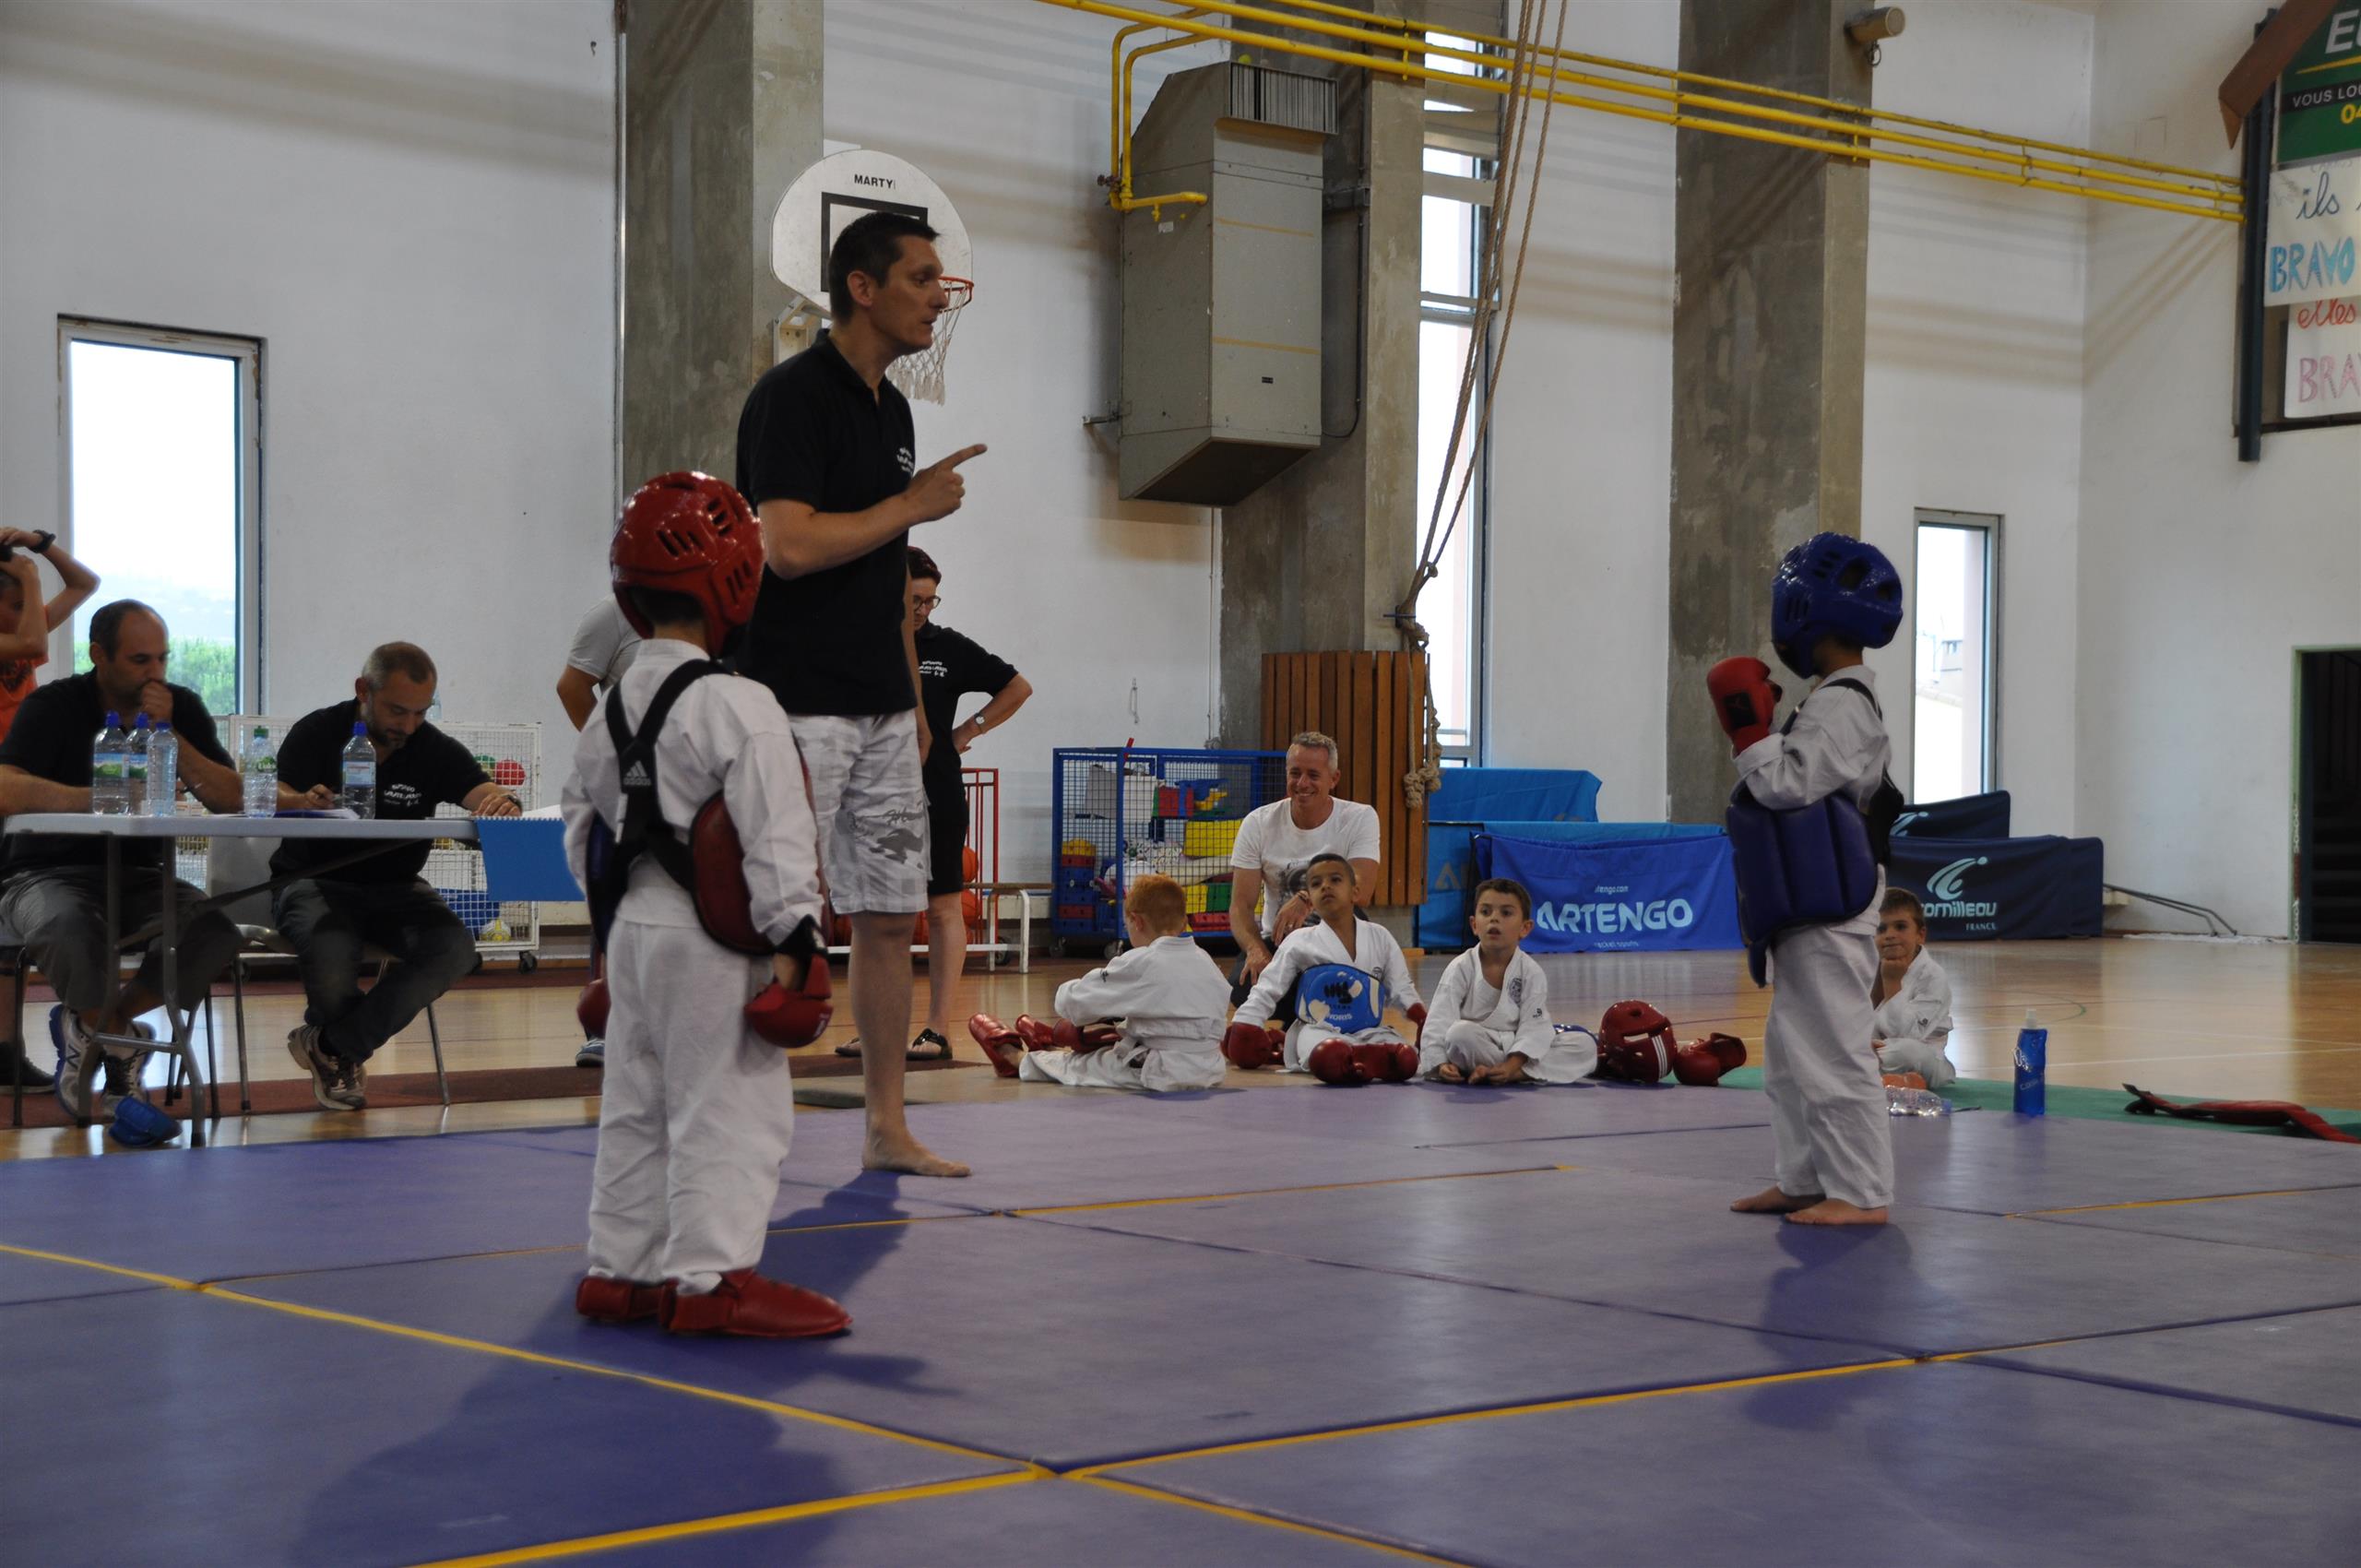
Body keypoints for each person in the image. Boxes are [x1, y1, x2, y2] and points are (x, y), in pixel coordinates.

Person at [563, 471, 847, 1337]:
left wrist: (608, 941)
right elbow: (776, 834)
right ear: (735, 581)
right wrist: (799, 942)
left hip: (634, 935)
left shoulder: (607, 710)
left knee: (636, 1106)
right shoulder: (737, 702)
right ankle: (711, 1281)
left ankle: (621, 1272)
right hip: (716, 945)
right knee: (728, 1109)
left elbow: (583, 834)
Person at [735, 209, 984, 1180]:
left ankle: (885, 1124)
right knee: (769, 913)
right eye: (921, 278)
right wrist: (909, 506)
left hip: (882, 706)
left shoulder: (894, 410)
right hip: (798, 703)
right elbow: (789, 547)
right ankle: (731, 1125)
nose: (939, 297)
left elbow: (882, 572)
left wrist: (912, 699)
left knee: (888, 916)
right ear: (862, 288)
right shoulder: (791, 397)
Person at [1708, 531, 1904, 1228]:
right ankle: (1804, 1179)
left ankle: (1861, 1193)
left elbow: (1788, 785)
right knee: (1793, 1057)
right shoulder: (1831, 698)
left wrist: (1749, 732)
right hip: (1807, 900)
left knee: (1833, 1050)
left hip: (1829, 901)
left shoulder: (1844, 702)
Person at [0, 600, 244, 1120]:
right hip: (45, 872)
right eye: (139, 660)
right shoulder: (54, 705)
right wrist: (98, 800)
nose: (154, 673)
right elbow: (5, 786)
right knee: (69, 925)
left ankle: (95, 1029)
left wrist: (170, 732)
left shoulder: (179, 707)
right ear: (98, 655)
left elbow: (230, 797)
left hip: (141, 875)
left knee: (213, 930)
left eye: (162, 659)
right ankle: (120, 1045)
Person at [273, 643, 521, 1111]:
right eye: (396, 711)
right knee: (331, 945)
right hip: (313, 880)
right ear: (363, 690)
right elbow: (276, 793)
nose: (408, 725)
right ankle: (340, 1053)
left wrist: (503, 803)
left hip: (398, 889)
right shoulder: (318, 731)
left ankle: (332, 1047)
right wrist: (300, 800)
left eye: (420, 713)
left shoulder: (433, 748)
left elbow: (483, 791)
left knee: (454, 949)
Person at [888, 544, 1031, 1062]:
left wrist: (966, 731)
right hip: (878, 790)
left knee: (944, 904)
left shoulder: (946, 647)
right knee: (881, 912)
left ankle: (936, 1028)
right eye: (913, 600)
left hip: (937, 790)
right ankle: (879, 1027)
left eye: (930, 601)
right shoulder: (865, 641)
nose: (922, 610)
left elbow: (1017, 688)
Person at [0, 529, 101, 1088]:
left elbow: (86, 583)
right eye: (16, 604)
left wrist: (41, 547)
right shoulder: (21, 638)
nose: (28, 613)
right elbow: (33, 643)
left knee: (5, 934)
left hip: (14, 793)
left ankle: (5, 1051)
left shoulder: (22, 628)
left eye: (27, 604)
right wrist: (29, 575)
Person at [969, 874, 1228, 1094]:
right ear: (1183, 922)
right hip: (1210, 1068)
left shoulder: (1141, 961)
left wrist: (1075, 1003)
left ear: (1136, 921)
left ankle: (1018, 1059)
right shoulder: (1207, 962)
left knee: (1080, 1066)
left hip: (1161, 1072)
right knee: (1118, 1036)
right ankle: (1052, 1045)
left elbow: (1073, 1004)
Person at [1225, 852, 1423, 1084]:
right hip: (1318, 1029)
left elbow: (1401, 987)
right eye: (1316, 884)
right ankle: (1358, 1060)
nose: (1326, 886)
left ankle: (1357, 1059)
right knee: (1321, 1050)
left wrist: (1420, 1016)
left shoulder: (1380, 937)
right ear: (1310, 899)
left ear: (1355, 892)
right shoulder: (1300, 940)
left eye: (1335, 880)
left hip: (1368, 1031)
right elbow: (1268, 987)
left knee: (1406, 1057)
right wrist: (1247, 1022)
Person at [555, 595, 645, 1069]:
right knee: (616, 892)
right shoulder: (613, 615)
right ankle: (605, 1028)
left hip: (695, 778)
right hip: (628, 784)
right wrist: (612, 752)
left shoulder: (729, 617)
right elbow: (572, 687)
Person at [1228, 732, 1382, 1000]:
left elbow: (1362, 888)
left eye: (1313, 775)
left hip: (1336, 936)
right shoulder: (1258, 823)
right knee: (1243, 988)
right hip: (1280, 940)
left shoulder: (1360, 818)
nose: (1302, 783)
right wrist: (1255, 950)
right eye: (1295, 773)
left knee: (1334, 986)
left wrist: (1307, 899)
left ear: (1334, 779)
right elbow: (1241, 906)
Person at [1420, 877, 1595, 1085]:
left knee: (1584, 1046)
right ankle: (1511, 1073)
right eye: (1486, 912)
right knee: (1459, 1034)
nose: (1494, 919)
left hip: (1517, 1051)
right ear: (1474, 925)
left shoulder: (1531, 972)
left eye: (1506, 913)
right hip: (1475, 1043)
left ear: (1525, 928)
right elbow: (1439, 1020)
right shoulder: (1460, 967)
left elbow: (1534, 1026)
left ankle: (1506, 1073)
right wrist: (1441, 1064)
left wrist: (1512, 1065)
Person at [1871, 888, 1955, 1089]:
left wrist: (1892, 982)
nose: (1890, 935)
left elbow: (1906, 1035)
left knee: (1905, 1052)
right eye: (1881, 929)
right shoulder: (1867, 968)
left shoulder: (1933, 976)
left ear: (1920, 935)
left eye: (1900, 927)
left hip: (1924, 1058)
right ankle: (1887, 1080)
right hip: (1875, 1050)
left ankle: (1876, 1077)